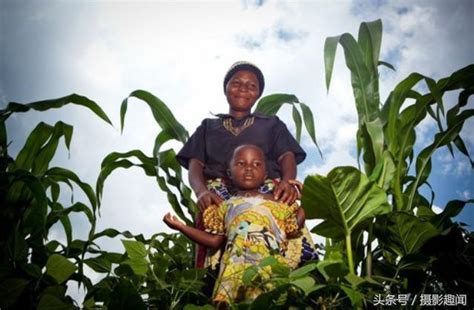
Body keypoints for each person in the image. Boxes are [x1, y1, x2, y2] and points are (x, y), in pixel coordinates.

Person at [176, 61, 307, 268]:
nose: (243, 88)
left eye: (252, 85)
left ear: (258, 94)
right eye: (237, 83)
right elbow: (195, 164)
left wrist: (288, 182)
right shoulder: (208, 127)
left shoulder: (272, 124)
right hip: (218, 198)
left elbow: (286, 156)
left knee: (284, 248)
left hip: (268, 194)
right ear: (226, 88)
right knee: (218, 261)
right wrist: (201, 192)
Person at [164, 144, 306, 304]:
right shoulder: (225, 206)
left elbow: (294, 227)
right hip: (234, 270)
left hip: (271, 267)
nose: (249, 168)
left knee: (272, 301)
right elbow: (214, 241)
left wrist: (307, 201)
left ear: (265, 174)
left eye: (257, 164)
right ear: (229, 173)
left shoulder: (279, 203)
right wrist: (182, 227)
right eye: (241, 163)